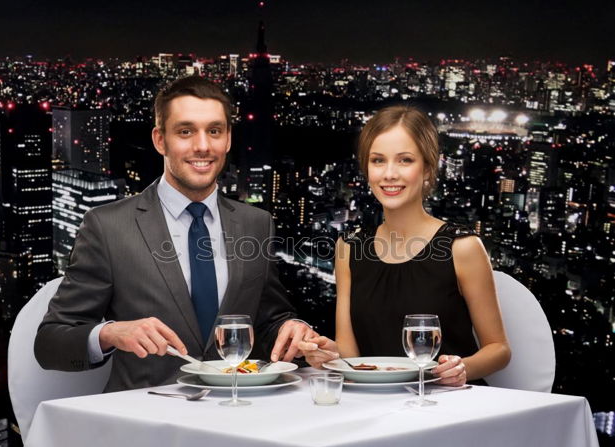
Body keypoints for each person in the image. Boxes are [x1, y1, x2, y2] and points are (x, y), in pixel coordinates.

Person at [35, 76, 316, 391]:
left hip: (239, 416)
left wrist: (294, 329)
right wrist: (110, 333)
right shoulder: (107, 226)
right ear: (160, 140)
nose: (202, 146)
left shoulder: (257, 224)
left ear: (228, 140)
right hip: (146, 424)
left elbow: (268, 320)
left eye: (214, 131)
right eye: (185, 132)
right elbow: (50, 343)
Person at [298, 105, 511, 386]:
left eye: (405, 160)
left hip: (448, 404)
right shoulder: (349, 247)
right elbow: (351, 353)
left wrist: (462, 368)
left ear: (427, 168)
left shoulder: (462, 247)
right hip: (375, 402)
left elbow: (499, 350)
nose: (389, 174)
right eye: (378, 161)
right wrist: (330, 354)